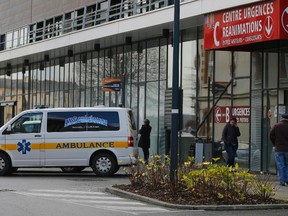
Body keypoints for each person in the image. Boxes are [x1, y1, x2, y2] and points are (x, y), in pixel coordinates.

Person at [270, 114, 288, 186]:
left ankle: (282, 181)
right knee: (287, 164)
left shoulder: (276, 126)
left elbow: (271, 135)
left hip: (279, 149)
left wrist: (275, 144)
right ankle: (287, 179)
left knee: (280, 165)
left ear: (281, 118)